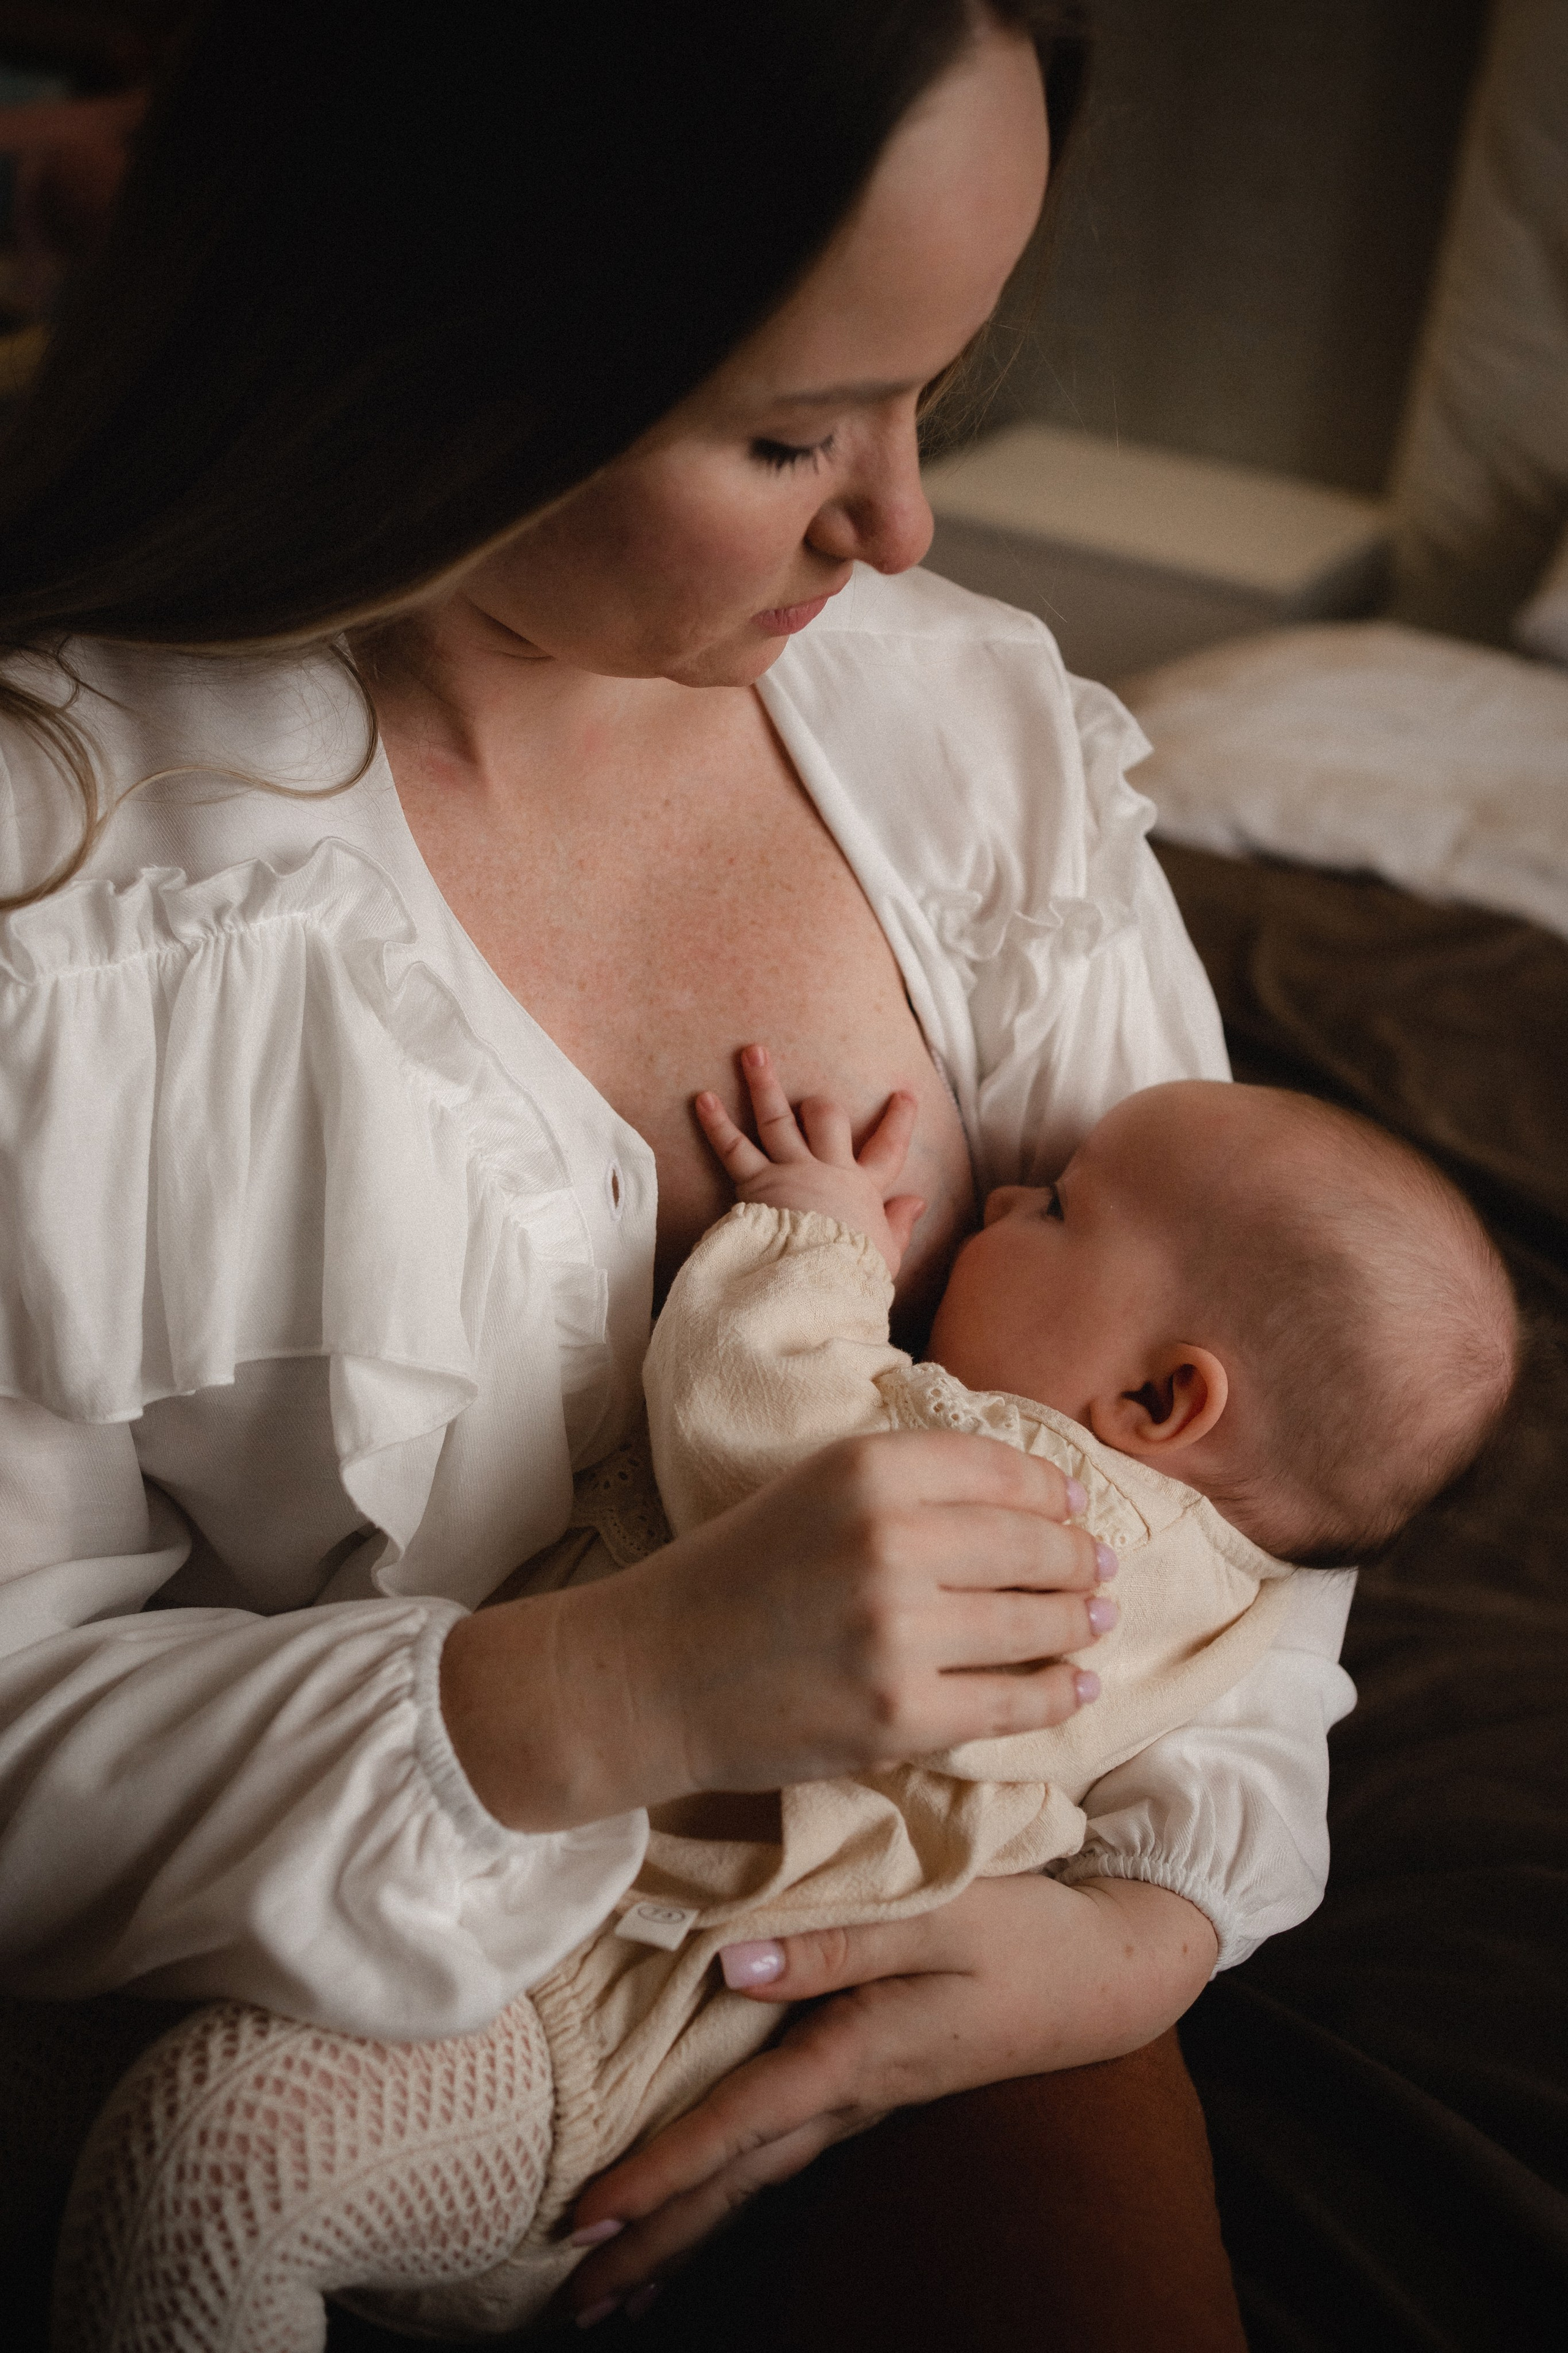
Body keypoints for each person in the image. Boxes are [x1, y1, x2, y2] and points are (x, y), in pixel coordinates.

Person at [0, 7, 1364, 2344]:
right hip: (331, 2007)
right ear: (440, 351)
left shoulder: (986, 751)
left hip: (950, 1977)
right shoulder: (81, 902)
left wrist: (1137, 1933)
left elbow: (1248, 1468)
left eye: (938, 387)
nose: (902, 524)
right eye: (791, 431)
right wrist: (600, 1689)